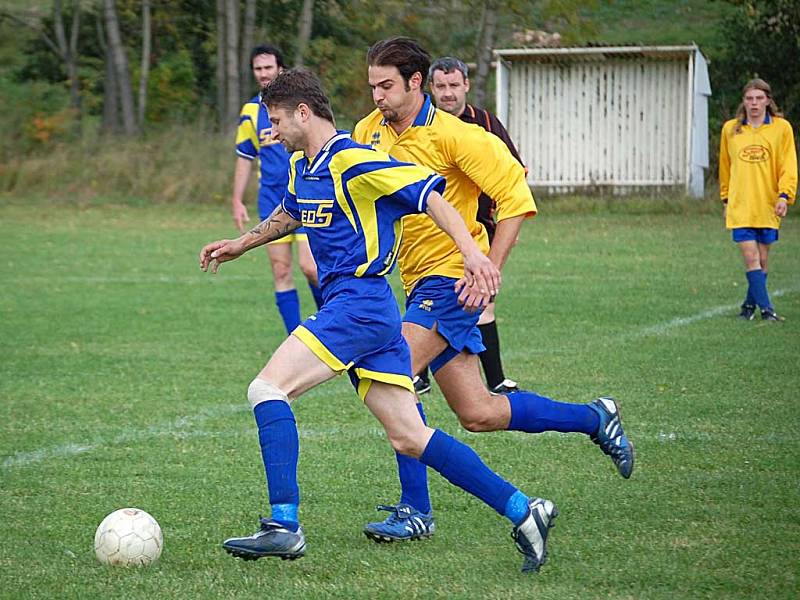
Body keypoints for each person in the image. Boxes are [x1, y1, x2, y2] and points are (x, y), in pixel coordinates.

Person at [200, 69, 559, 574]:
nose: (273, 133)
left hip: (359, 304)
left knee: (267, 389)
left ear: (303, 113)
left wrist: (474, 257)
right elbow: (291, 212)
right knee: (410, 436)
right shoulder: (306, 164)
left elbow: (428, 194)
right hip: (367, 312)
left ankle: (284, 527)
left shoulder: (353, 158)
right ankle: (525, 510)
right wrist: (241, 244)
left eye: (277, 121)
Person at [352, 37, 634, 543]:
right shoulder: (367, 131)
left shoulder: (458, 137)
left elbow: (515, 196)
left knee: (392, 373)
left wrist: (489, 267)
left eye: (386, 85)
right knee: (479, 413)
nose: (376, 95)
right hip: (412, 283)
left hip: (452, 281)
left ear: (416, 83)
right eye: (372, 85)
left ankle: (417, 510)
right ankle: (595, 417)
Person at [414, 55, 526, 396]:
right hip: (427, 234)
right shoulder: (420, 127)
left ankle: (494, 378)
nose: (448, 93)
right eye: (441, 86)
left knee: (481, 300)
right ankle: (423, 372)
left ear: (466, 85)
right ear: (430, 88)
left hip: (478, 228)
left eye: (454, 85)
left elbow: (514, 175)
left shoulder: (484, 125)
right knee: (433, 298)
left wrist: (502, 221)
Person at [230, 44, 324, 335]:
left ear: (280, 68)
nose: (263, 73)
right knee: (281, 272)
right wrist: (236, 199)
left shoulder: (299, 106)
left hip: (306, 195)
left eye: (268, 67)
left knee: (311, 268)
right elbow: (245, 157)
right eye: (258, 69)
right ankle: (295, 339)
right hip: (271, 199)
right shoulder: (250, 111)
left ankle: (331, 326)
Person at [719, 78, 797, 321]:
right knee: (752, 258)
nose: (754, 103)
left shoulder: (781, 128)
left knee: (762, 261)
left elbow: (789, 166)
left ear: (768, 101)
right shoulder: (731, 129)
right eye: (749, 98)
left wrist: (785, 195)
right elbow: (725, 166)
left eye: (759, 98)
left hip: (768, 204)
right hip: (741, 205)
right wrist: (725, 199)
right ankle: (768, 311)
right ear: (743, 101)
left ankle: (747, 308)